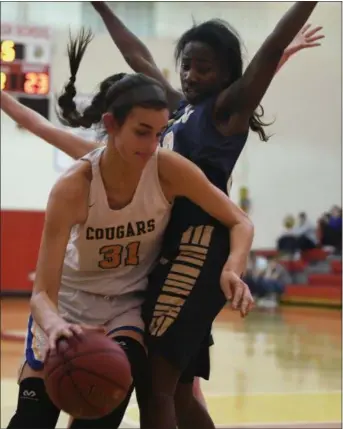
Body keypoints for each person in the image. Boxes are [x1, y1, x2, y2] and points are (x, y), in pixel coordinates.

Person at [1, 30, 254, 429]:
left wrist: (232, 268)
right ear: (111, 125)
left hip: (125, 310)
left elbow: (239, 219)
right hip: (64, 305)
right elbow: (40, 297)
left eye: (160, 133)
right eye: (142, 132)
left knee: (99, 416)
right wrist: (57, 328)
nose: (155, 144)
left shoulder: (168, 168)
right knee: (31, 419)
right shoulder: (72, 187)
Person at [91, 2, 320, 428]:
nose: (192, 75)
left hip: (198, 253)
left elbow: (269, 50)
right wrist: (101, 6)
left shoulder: (226, 111)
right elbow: (137, 56)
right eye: (187, 66)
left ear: (228, 74)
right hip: (173, 252)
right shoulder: (177, 109)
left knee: (154, 389)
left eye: (205, 68)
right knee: (176, 393)